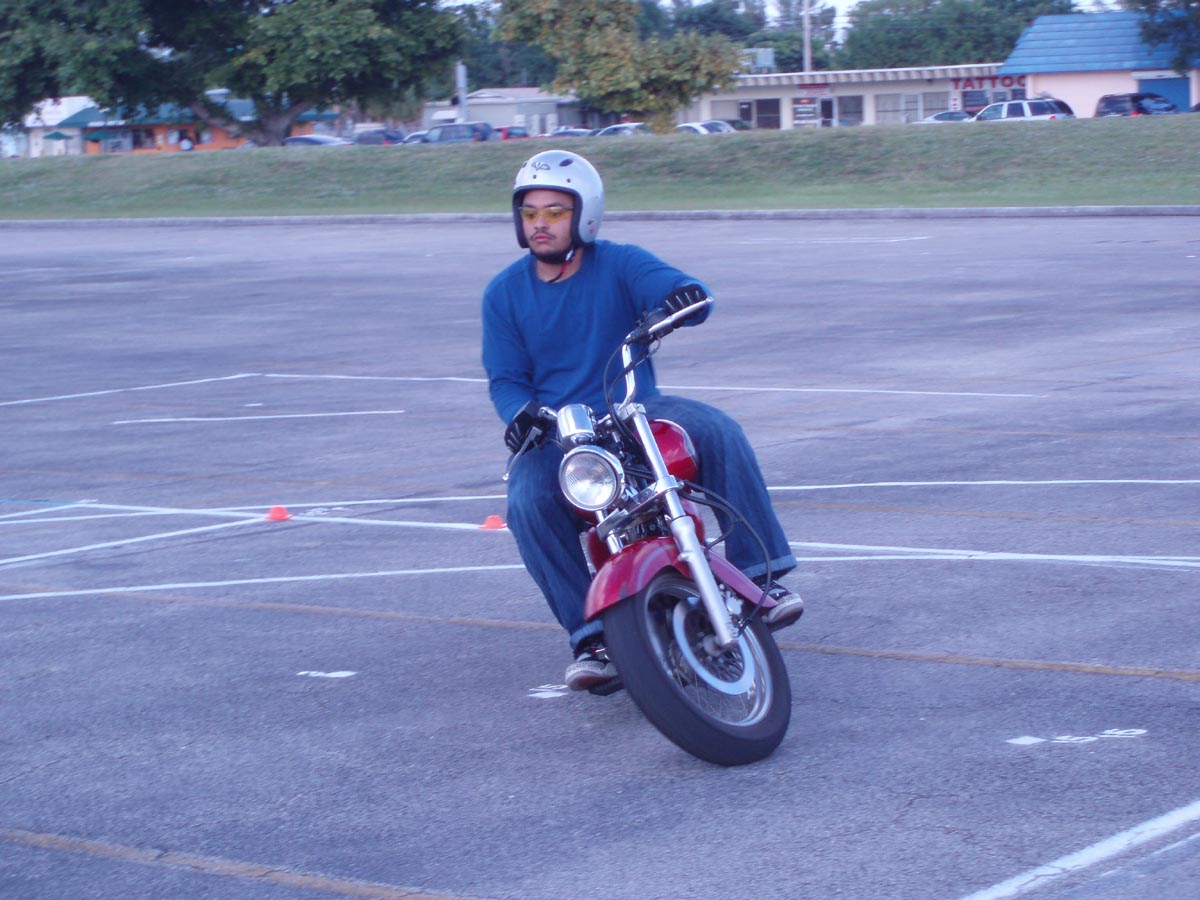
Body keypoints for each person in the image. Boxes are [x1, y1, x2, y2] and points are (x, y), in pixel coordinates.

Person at [481, 149, 803, 691]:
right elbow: (506, 379)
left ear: (584, 215)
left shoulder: (621, 263)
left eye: (555, 211)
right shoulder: (503, 294)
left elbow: (680, 290)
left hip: (634, 407)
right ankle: (591, 639)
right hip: (560, 433)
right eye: (530, 212)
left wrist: (683, 298)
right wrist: (519, 416)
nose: (540, 223)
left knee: (718, 430)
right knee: (526, 501)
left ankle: (759, 574)